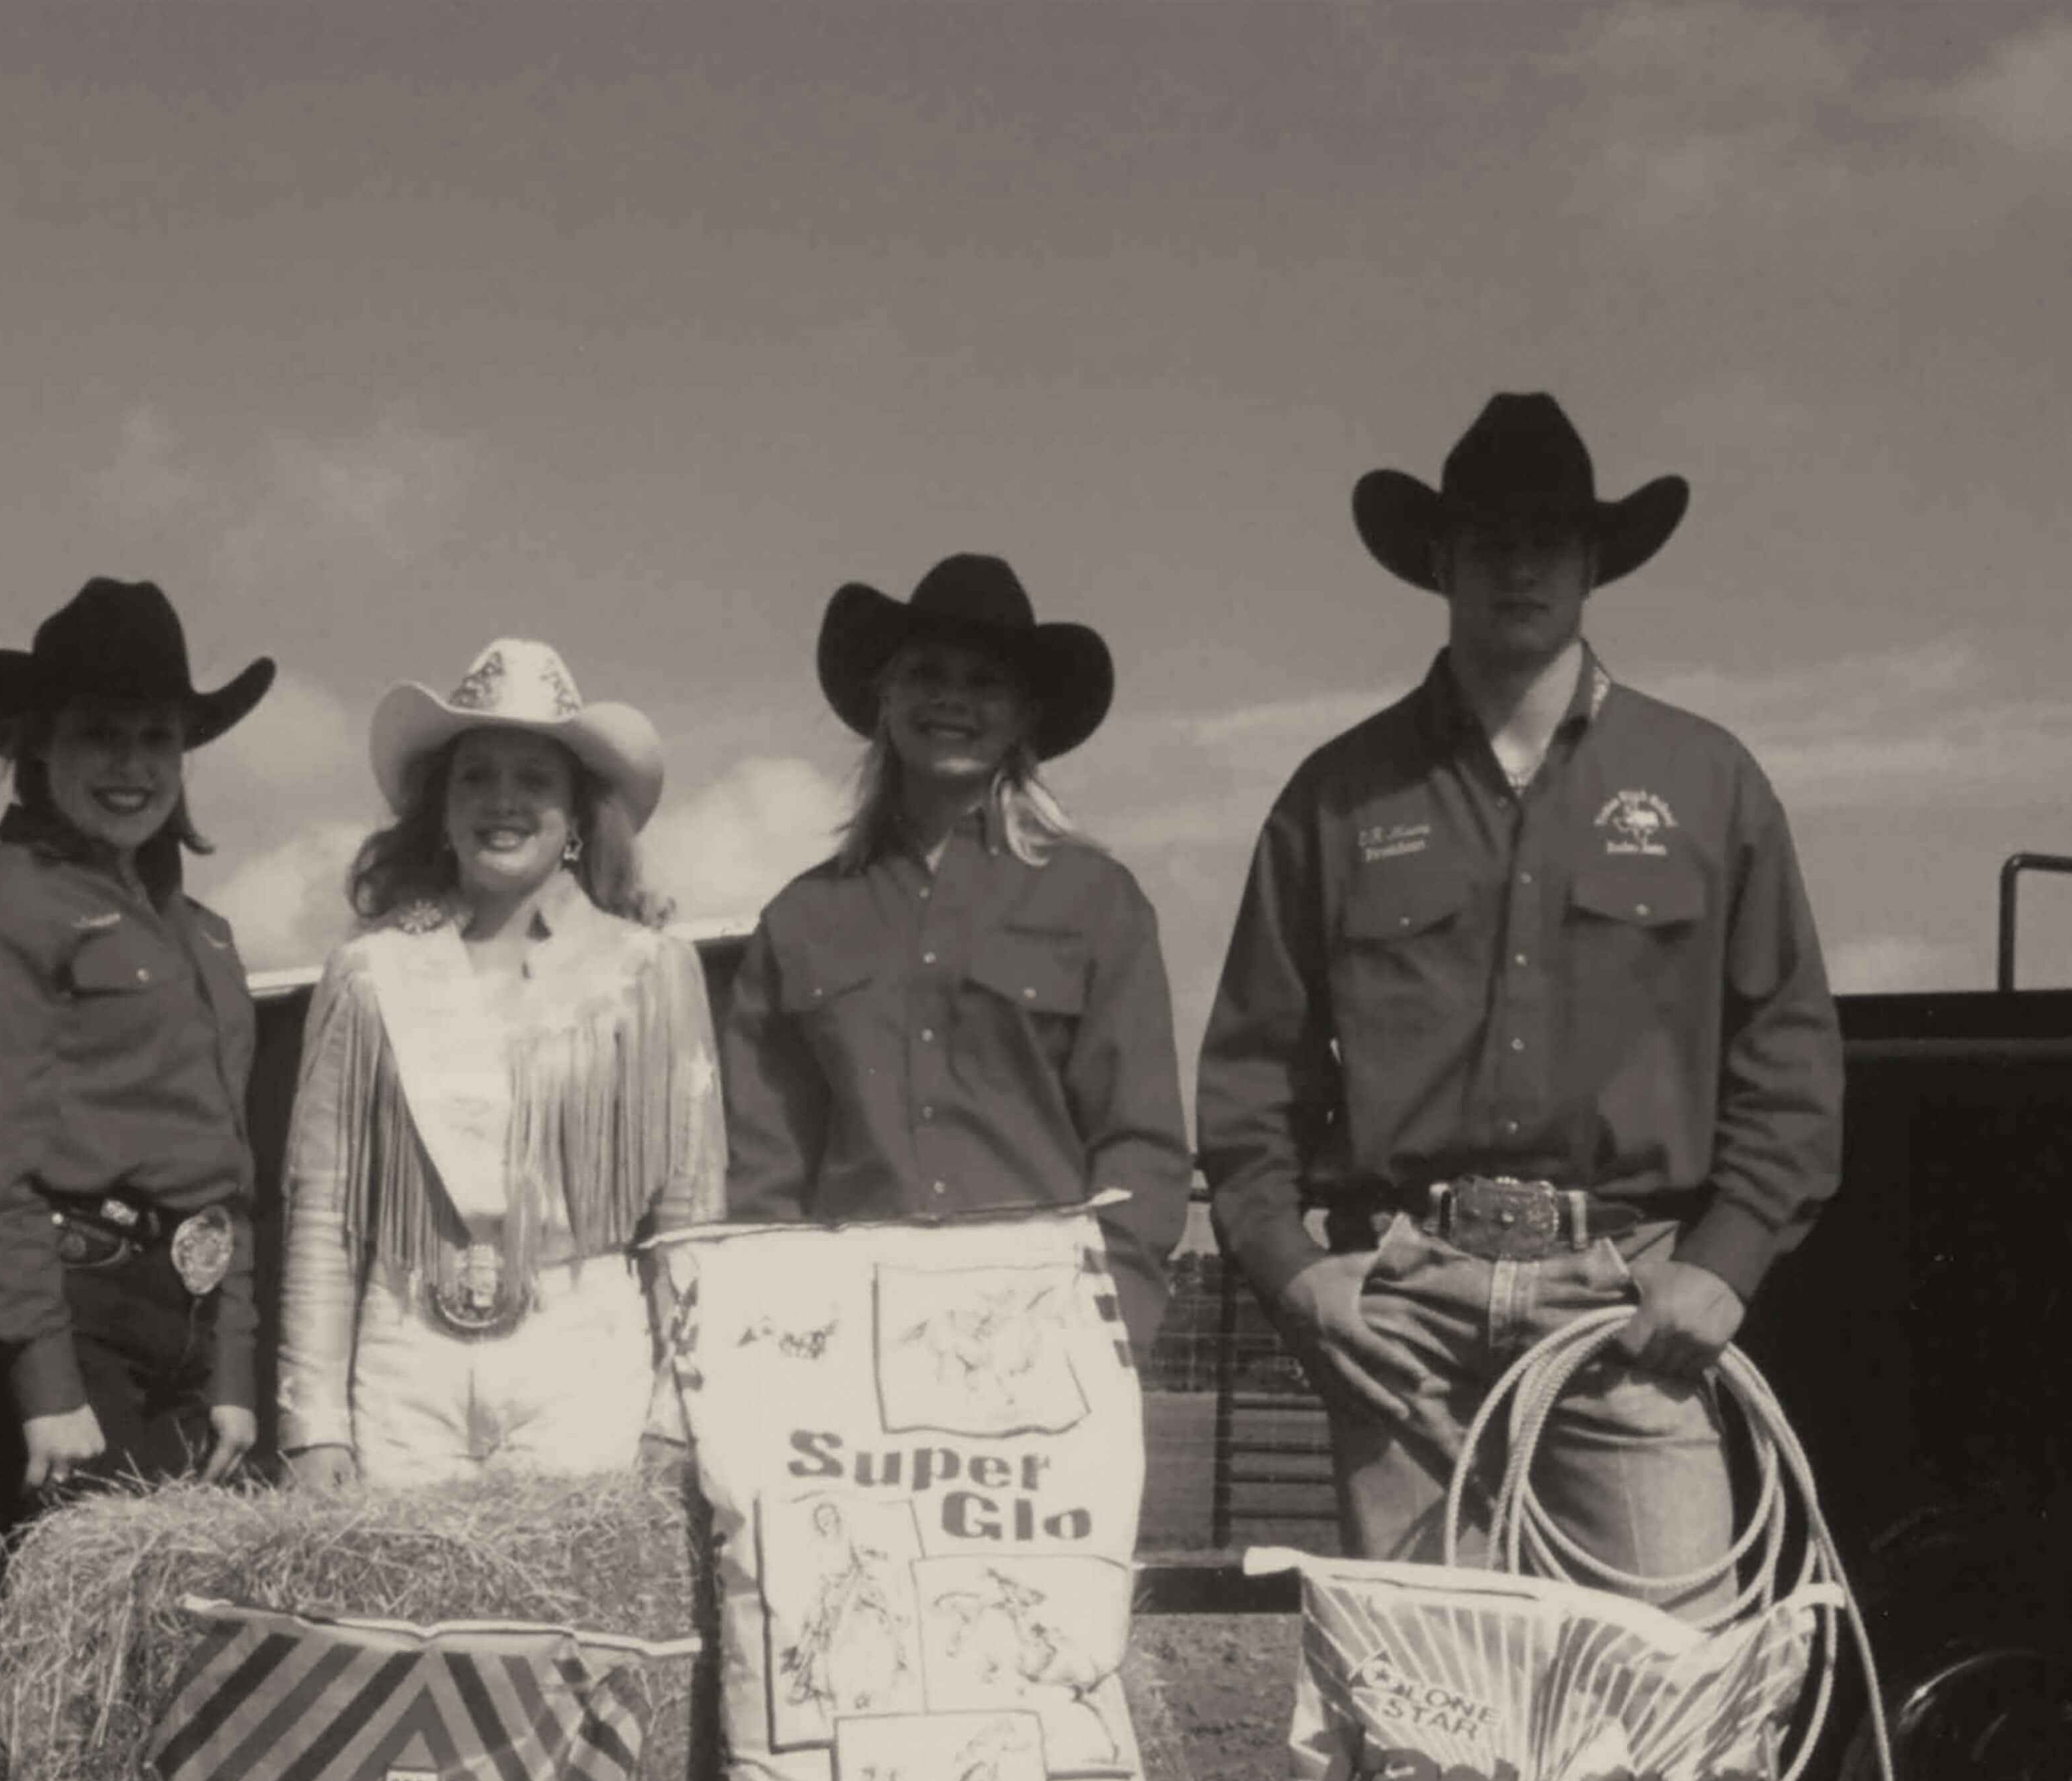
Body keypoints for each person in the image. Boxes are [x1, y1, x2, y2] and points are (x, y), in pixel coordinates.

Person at [1192, 394, 1842, 1615]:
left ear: (1594, 561)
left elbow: (1789, 1055)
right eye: (1488, 541)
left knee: (1668, 1699)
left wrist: (1724, 1263)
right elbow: (1250, 1071)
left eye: (1548, 539)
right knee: (1434, 1718)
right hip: (1403, 1320)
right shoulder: (1333, 797)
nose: (1520, 566)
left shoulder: (1707, 782)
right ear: (1438, 561)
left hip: (1626, 1305)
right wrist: (1294, 1272)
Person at [277, 638, 722, 1490]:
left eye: (534, 779)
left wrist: (679, 1410)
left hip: (582, 1350)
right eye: (476, 776)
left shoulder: (648, 971)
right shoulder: (370, 975)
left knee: (574, 1621)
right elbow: (323, 1212)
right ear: (439, 811)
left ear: (577, 817)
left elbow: (689, 1213)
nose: (503, 802)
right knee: (395, 1619)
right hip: (404, 1357)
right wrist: (312, 1423)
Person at [715, 553, 1187, 1357]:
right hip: (843, 1335)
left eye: (985, 682)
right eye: (925, 674)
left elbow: (1137, 1137)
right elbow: (763, 1165)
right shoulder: (801, 920)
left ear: (1025, 714)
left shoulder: (1097, 901)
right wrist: (773, 1335)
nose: (952, 699)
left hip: (1043, 1333)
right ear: (885, 699)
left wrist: (1113, 1317)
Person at [0, 577, 278, 1537]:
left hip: (188, 1328)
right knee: (40, 1657)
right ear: (39, 744)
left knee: (175, 1650)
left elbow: (229, 1176)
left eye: (156, 737)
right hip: (64, 1311)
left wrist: (232, 1371)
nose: (131, 765)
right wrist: (42, 1378)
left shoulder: (205, 936)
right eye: (98, 734)